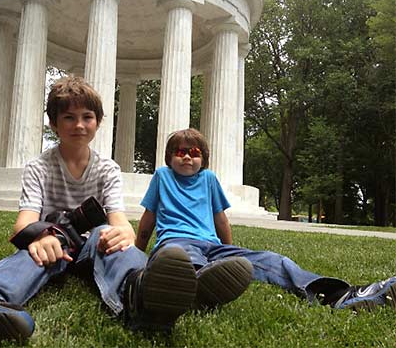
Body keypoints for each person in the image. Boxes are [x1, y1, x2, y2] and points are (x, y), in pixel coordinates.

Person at [0, 77, 198, 343]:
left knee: (107, 234)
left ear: (98, 122)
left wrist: (122, 234)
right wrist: (42, 238)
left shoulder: (108, 169)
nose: (79, 125)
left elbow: (120, 223)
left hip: (95, 247)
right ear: (54, 124)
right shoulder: (39, 168)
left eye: (87, 117)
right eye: (69, 117)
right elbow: (24, 224)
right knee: (42, 248)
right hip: (56, 246)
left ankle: (141, 295)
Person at [136, 128, 396, 312]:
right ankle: (193, 285)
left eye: (193, 152)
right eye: (179, 152)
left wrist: (231, 254)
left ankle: (338, 294)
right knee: (184, 258)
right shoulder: (162, 176)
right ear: (169, 157)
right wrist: (136, 253)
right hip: (176, 243)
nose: (186, 157)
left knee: (274, 261)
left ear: (203, 158)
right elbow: (148, 220)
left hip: (212, 246)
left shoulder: (209, 179)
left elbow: (221, 219)